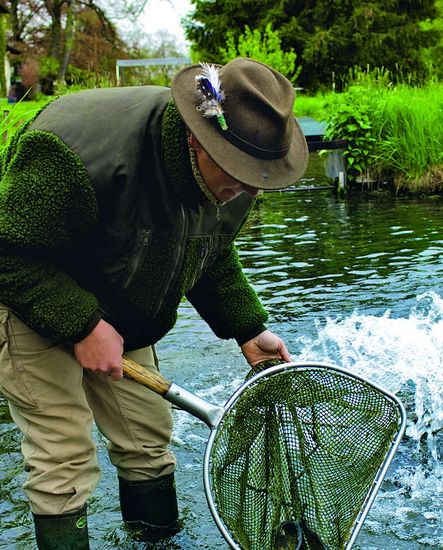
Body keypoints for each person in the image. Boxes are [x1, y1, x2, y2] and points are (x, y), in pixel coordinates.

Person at [0, 57, 308, 548]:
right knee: (65, 460)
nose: (249, 188)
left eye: (259, 175)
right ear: (196, 139)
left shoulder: (244, 177)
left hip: (123, 314)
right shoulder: (69, 153)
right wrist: (82, 324)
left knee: (147, 442)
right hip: (29, 294)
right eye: (239, 172)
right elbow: (8, 252)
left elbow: (209, 251)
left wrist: (248, 327)